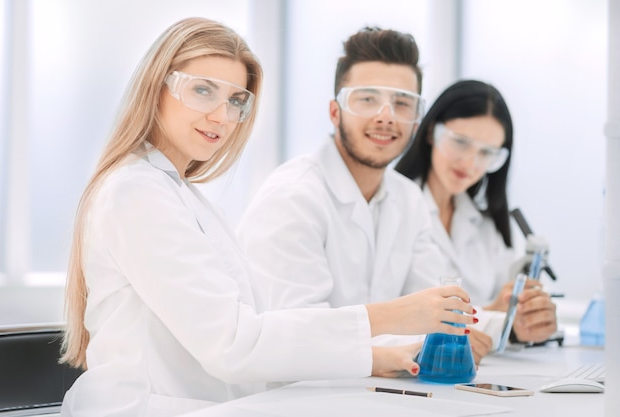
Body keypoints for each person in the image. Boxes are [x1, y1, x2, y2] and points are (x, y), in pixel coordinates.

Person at [59, 18, 476, 417]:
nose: (222, 116)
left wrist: (376, 355)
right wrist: (390, 318)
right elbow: (233, 345)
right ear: (156, 88)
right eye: (203, 91)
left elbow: (256, 333)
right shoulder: (137, 192)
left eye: (235, 101)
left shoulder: (181, 194)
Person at [236, 27, 482, 354]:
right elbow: (297, 334)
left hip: (371, 392)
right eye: (367, 99)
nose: (386, 117)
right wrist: (405, 337)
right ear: (335, 112)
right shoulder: (293, 197)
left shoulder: (408, 199)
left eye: (402, 103)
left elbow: (434, 310)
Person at [394, 79, 557, 348]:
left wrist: (528, 316)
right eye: (460, 142)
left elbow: (504, 312)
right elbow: (395, 314)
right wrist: (492, 315)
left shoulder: (485, 226)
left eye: (486, 152)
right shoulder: (395, 208)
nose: (470, 163)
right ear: (432, 132)